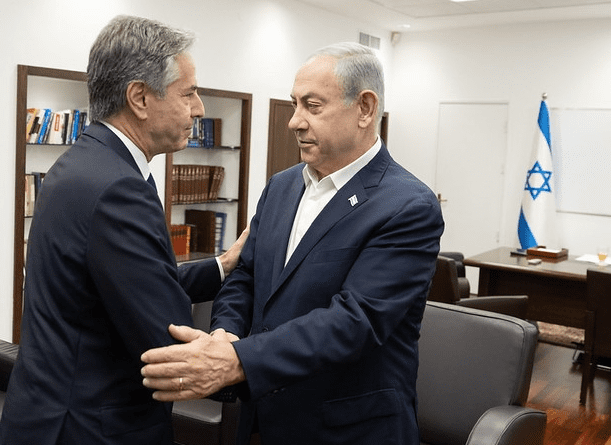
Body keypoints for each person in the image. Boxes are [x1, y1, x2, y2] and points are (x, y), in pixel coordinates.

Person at [141, 42, 444, 444]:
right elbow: (246, 274)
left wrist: (238, 360)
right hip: (264, 419)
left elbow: (355, 321)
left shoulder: (408, 205)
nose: (294, 121)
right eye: (294, 104)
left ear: (365, 109)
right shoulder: (282, 186)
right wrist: (225, 334)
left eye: (312, 106)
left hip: (347, 429)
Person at [0, 15, 247, 445]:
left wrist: (222, 266)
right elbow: (166, 337)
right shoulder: (118, 188)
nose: (200, 107)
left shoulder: (88, 162)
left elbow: (127, 282)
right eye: (188, 92)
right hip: (90, 427)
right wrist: (246, 364)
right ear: (140, 97)